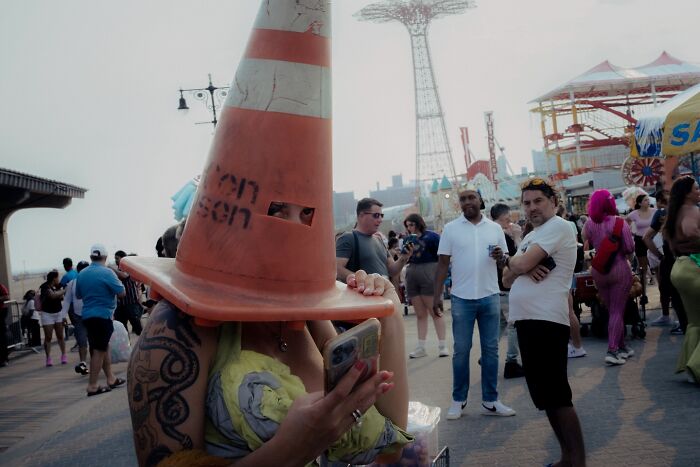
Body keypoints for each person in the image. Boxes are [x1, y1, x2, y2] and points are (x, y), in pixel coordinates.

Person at [126, 204, 411, 465]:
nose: (296, 228)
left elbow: (389, 445)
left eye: (307, 212)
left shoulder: (306, 311)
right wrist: (293, 448)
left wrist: (390, 312)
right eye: (275, 210)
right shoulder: (176, 326)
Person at [502, 178, 586, 467]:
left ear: (553, 201)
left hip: (546, 320)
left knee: (557, 395)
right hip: (529, 321)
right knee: (546, 397)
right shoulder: (532, 235)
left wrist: (521, 263)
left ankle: (577, 461)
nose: (532, 207)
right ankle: (566, 458)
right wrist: (521, 264)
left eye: (538, 201)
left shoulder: (559, 227)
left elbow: (518, 266)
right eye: (527, 203)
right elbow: (506, 278)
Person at [433, 187, 516, 420]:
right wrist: (436, 295)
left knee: (491, 351)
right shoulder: (450, 229)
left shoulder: (495, 228)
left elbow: (504, 264)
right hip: (461, 299)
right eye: (463, 199)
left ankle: (491, 400)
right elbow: (442, 265)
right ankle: (458, 399)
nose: (467, 202)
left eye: (472, 198)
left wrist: (501, 258)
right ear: (459, 203)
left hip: (490, 296)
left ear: (480, 200)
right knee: (461, 351)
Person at [583, 190, 635, 365]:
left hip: (599, 270)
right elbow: (628, 247)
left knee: (612, 309)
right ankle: (612, 350)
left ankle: (622, 346)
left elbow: (586, 244)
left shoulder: (588, 224)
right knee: (617, 311)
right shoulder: (620, 222)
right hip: (619, 268)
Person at [75, 244, 126, 396]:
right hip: (103, 316)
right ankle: (92, 386)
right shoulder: (107, 272)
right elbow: (122, 292)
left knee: (103, 347)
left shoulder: (82, 274)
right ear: (105, 257)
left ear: (91, 257)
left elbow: (78, 295)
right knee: (99, 350)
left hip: (88, 316)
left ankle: (111, 378)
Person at [664, 176, 700, 384]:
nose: (699, 191)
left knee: (695, 322)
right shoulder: (693, 212)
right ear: (687, 193)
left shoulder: (674, 214)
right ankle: (696, 366)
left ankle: (691, 367)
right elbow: (690, 230)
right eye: (696, 188)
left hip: (680, 267)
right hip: (695, 266)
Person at [403, 213, 447, 359]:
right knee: (420, 314)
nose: (409, 228)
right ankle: (421, 347)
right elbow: (404, 258)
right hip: (412, 272)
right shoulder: (407, 239)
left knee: (435, 311)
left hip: (429, 271)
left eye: (411, 224)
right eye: (407, 225)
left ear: (418, 223)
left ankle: (442, 345)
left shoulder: (432, 236)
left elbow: (442, 256)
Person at [336, 198, 413, 283]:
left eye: (381, 215)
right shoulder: (348, 238)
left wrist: (403, 258)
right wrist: (367, 282)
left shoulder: (379, 240)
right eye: (376, 215)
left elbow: (392, 271)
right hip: (364, 294)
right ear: (361, 215)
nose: (380, 220)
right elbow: (337, 270)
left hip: (384, 293)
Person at [643, 191, 687, 333]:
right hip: (690, 256)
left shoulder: (661, 213)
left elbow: (646, 237)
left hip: (671, 258)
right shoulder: (688, 209)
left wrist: (660, 256)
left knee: (673, 292)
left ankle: (683, 323)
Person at [489, 203, 524, 378]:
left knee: (502, 323)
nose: (509, 222)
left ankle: (487, 354)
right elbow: (518, 260)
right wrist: (518, 238)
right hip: (507, 285)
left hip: (494, 286)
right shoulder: (504, 237)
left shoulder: (488, 234)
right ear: (501, 219)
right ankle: (511, 362)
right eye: (507, 219)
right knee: (513, 324)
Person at [556, 205, 587, 359]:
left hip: (561, 273)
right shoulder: (569, 225)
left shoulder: (561, 226)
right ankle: (575, 345)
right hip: (568, 270)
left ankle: (576, 346)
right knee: (569, 311)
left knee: (568, 311)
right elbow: (576, 245)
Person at [61, 260, 90, 375]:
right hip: (79, 317)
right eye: (81, 269)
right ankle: (83, 363)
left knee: (94, 342)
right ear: (78, 270)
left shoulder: (94, 282)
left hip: (93, 317)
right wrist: (63, 316)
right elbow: (67, 300)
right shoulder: (72, 283)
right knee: (82, 342)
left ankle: (96, 362)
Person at [627, 193, 657, 302]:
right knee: (643, 269)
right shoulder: (634, 214)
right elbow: (626, 222)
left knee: (658, 266)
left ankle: (665, 293)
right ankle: (644, 294)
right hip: (640, 240)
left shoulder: (654, 211)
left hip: (653, 240)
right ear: (639, 203)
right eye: (645, 200)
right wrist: (631, 232)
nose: (648, 202)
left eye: (648, 200)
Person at [112, 250, 143, 336]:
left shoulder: (128, 268)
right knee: (122, 331)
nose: (115, 260)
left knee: (138, 329)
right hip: (121, 304)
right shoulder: (117, 270)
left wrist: (111, 269)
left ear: (123, 259)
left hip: (131, 303)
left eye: (117, 258)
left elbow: (125, 275)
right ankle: (126, 347)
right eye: (115, 258)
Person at [39, 270, 67, 367]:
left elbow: (61, 297)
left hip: (58, 313)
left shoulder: (57, 286)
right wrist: (64, 290)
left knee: (60, 335)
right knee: (48, 336)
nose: (58, 279)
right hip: (47, 314)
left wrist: (61, 292)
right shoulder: (45, 287)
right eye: (57, 277)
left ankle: (63, 355)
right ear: (54, 278)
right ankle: (48, 358)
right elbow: (53, 296)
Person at [0, 282, 9, 367]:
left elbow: (6, 297)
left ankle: (4, 358)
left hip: (0, 313)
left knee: (2, 337)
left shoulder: (0, 286)